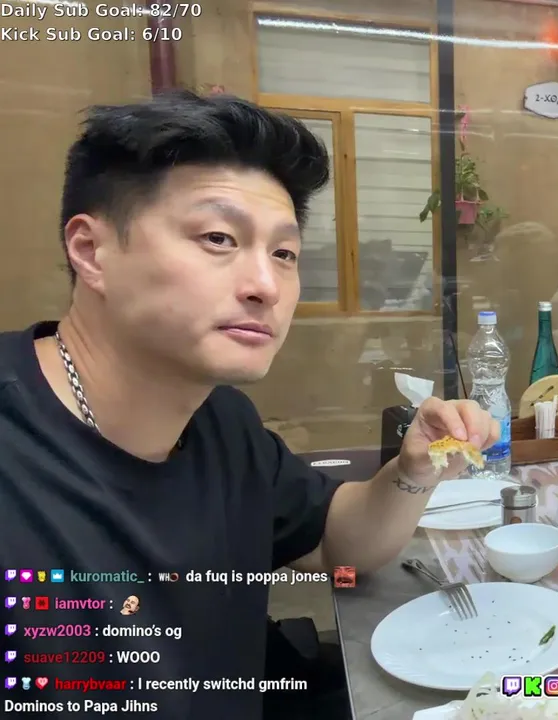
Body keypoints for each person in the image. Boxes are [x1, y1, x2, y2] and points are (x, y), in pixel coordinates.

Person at [0, 91, 499, 718]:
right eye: (218, 238)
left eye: (284, 254)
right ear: (91, 250)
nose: (266, 286)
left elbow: (338, 547)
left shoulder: (221, 420)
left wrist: (413, 471)